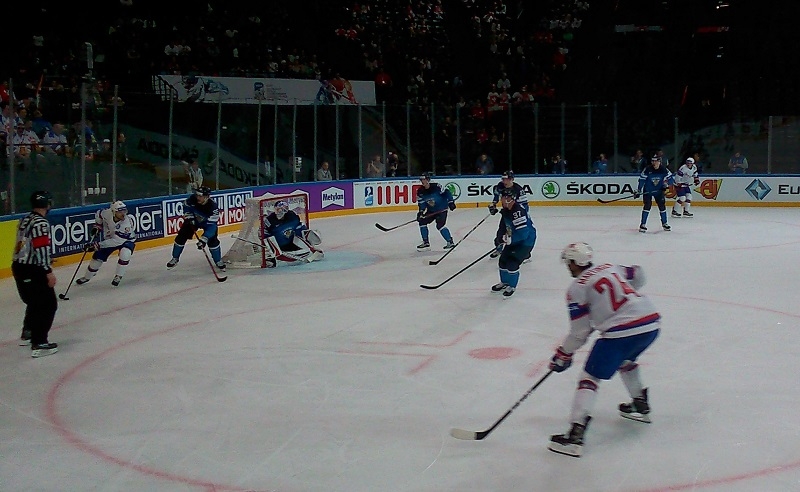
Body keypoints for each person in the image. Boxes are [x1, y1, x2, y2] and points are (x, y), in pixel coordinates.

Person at [548, 242, 661, 457]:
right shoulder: (611, 267)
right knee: (626, 360)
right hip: (651, 323)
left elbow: (580, 332)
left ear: (574, 262)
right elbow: (639, 273)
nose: (568, 267)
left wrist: (564, 353)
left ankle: (575, 435)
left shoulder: (576, 288)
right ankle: (640, 404)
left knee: (589, 378)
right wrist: (628, 299)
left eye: (568, 263)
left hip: (621, 333)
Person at [12, 191, 59, 357]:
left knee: (34, 301)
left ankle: (29, 331)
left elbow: (26, 244)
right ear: (46, 204)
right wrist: (47, 270)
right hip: (33, 268)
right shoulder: (41, 223)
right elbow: (41, 247)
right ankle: (39, 342)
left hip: (19, 265)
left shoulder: (25, 218)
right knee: (48, 304)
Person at [76, 201, 137, 286]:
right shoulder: (106, 213)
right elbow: (99, 214)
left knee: (125, 253)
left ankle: (118, 276)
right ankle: (87, 277)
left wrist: (96, 246)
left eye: (124, 211)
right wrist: (97, 226)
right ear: (113, 212)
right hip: (109, 238)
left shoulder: (126, 223)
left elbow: (117, 241)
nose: (123, 214)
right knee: (97, 259)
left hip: (126, 240)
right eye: (120, 211)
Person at [491, 187, 536, 297]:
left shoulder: (517, 211)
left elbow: (524, 233)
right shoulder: (506, 210)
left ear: (511, 199)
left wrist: (511, 239)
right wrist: (500, 238)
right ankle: (505, 282)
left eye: (504, 197)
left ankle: (512, 285)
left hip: (526, 242)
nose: (501, 200)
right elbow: (503, 226)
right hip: (514, 240)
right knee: (502, 261)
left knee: (512, 263)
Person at [166, 187, 225, 271]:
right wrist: (189, 217)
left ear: (206, 197)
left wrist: (204, 239)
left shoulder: (212, 206)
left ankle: (218, 261)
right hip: (193, 221)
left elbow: (212, 226)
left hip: (207, 223)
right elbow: (186, 206)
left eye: (200, 196)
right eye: (197, 195)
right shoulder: (192, 199)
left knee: (213, 240)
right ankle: (175, 258)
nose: (198, 197)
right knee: (181, 236)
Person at [263, 200, 323, 266]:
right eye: (277, 210)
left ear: (286, 209)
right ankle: (273, 258)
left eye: (281, 210)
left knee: (303, 231)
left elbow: (299, 227)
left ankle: (311, 249)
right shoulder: (269, 220)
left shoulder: (292, 216)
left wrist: (308, 243)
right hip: (279, 246)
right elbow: (265, 236)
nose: (279, 212)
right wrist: (275, 250)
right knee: (269, 239)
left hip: (291, 242)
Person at [489, 170, 530, 260]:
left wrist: (521, 216)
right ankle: (499, 249)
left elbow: (524, 206)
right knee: (501, 231)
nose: (504, 181)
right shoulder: (500, 186)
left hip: (517, 215)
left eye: (506, 179)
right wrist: (493, 205)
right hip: (506, 213)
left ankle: (524, 253)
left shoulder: (519, 190)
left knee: (518, 233)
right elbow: (496, 196)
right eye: (503, 179)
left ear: (512, 179)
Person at [416, 173, 456, 250]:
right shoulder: (420, 191)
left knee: (440, 225)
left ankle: (450, 241)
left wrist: (451, 202)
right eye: (421, 180)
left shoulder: (436, 187)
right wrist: (421, 212)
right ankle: (426, 242)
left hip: (441, 210)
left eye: (424, 179)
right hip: (431, 211)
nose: (422, 181)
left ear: (428, 180)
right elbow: (421, 202)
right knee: (422, 222)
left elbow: (447, 192)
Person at [635, 154, 675, 233]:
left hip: (658, 191)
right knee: (647, 206)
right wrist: (638, 190)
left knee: (662, 206)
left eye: (656, 161)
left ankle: (665, 223)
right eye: (653, 161)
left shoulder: (664, 170)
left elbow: (671, 179)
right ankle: (643, 224)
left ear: (660, 162)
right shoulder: (647, 169)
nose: (654, 163)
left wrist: (665, 185)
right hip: (648, 191)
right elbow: (641, 180)